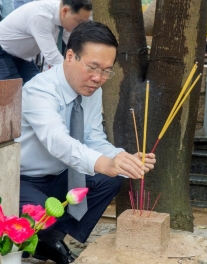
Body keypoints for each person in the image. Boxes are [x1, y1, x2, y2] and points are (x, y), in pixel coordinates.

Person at [16, 21, 156, 263]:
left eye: (106, 71)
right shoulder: (40, 90)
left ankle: (50, 238)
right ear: (70, 56)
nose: (98, 78)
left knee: (110, 177)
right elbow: (57, 141)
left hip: (60, 175)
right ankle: (39, 237)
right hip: (21, 179)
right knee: (42, 213)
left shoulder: (92, 90)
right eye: (92, 67)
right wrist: (104, 162)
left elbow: (92, 138)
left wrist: (121, 158)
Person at [0, 0, 91, 85]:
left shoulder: (64, 15)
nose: (80, 27)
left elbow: (73, 45)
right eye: (79, 21)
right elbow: (53, 57)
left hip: (23, 57)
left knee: (38, 89)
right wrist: (76, 77)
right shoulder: (41, 16)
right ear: (65, 11)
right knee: (14, 94)